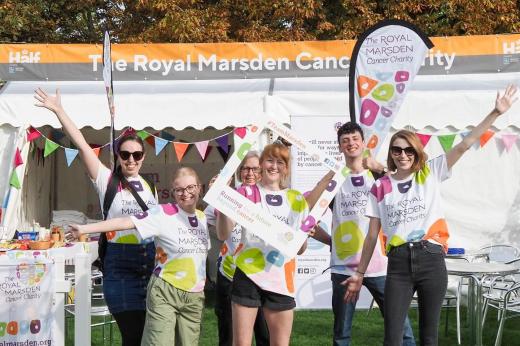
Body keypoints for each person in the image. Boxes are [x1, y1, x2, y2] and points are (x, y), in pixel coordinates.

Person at [345, 85, 518, 345]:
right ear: (391, 154)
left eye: (409, 150)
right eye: (397, 150)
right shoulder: (380, 186)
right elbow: (371, 236)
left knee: (429, 337)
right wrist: (359, 273)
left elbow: (465, 144)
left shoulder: (430, 172)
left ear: (416, 152)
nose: (403, 155)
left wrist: (495, 113)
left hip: (431, 259)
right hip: (399, 264)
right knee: (392, 337)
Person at [34, 88, 158, 345]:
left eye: (136, 155)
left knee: (149, 335)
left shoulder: (149, 186)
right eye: (125, 155)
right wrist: (59, 110)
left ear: (143, 157)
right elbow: (80, 142)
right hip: (120, 265)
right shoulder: (107, 180)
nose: (131, 160)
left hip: (150, 264)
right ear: (118, 157)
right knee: (132, 334)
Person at [70, 167, 210, 345]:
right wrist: (85, 229)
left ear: (199, 188)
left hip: (194, 296)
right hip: (165, 291)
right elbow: (125, 222)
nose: (186, 193)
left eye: (190, 187)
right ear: (173, 192)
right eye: (179, 189)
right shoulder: (163, 213)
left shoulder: (203, 219)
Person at [312, 122, 415, 346]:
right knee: (342, 333)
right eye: (345, 141)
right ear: (339, 147)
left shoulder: (377, 176)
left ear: (363, 142)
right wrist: (330, 241)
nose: (351, 144)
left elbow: (406, 191)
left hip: (380, 265)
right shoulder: (336, 180)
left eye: (354, 139)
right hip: (344, 267)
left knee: (400, 327)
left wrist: (380, 168)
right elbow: (308, 211)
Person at [216, 143, 309, 346]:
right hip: (248, 273)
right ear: (261, 164)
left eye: (280, 162)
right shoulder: (245, 193)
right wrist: (222, 203)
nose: (274, 166)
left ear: (286, 168)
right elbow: (223, 233)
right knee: (241, 343)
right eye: (269, 160)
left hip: (280, 277)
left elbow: (300, 249)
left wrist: (302, 237)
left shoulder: (297, 199)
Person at [205, 151, 270, 346]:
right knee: (229, 334)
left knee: (264, 333)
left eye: (255, 169)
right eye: (245, 168)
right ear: (239, 171)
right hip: (230, 275)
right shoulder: (229, 195)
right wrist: (218, 195)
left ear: (262, 171)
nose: (250, 173)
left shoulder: (269, 198)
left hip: (260, 276)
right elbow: (207, 222)